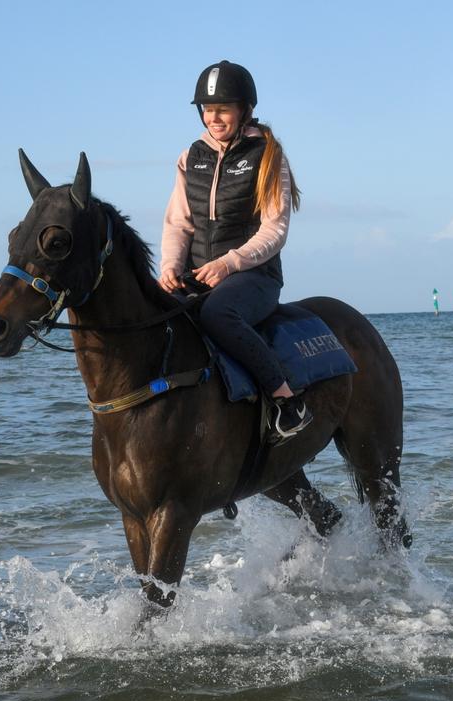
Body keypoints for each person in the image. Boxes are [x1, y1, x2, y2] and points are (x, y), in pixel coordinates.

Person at [159, 59, 311, 444]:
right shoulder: (189, 156)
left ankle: (284, 400)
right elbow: (179, 223)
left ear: (245, 109)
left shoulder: (267, 155)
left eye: (222, 109)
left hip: (253, 277)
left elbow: (274, 229)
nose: (214, 117)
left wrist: (230, 264)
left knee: (217, 313)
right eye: (208, 110)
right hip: (197, 273)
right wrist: (171, 267)